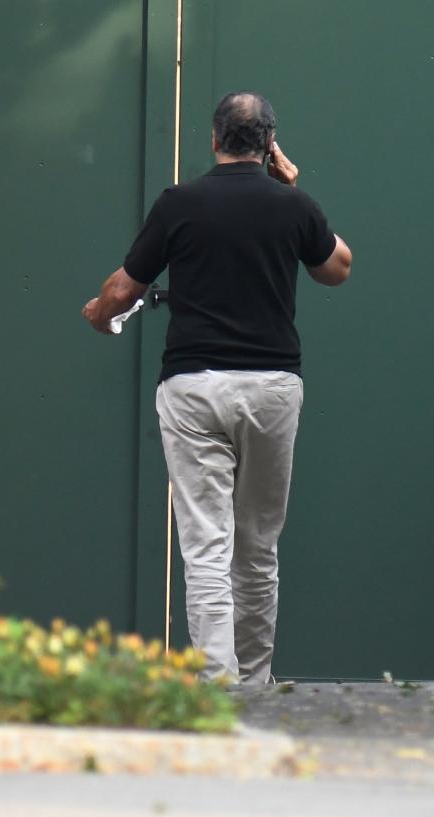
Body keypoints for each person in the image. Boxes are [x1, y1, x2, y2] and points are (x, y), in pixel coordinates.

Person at [82, 91, 352, 683]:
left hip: (193, 388)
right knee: (258, 545)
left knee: (206, 542)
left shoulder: (180, 204)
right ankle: (254, 680)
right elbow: (338, 267)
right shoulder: (293, 205)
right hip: (272, 388)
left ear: (213, 139)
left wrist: (101, 313)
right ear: (269, 143)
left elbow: (125, 289)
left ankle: (216, 685)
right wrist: (292, 187)